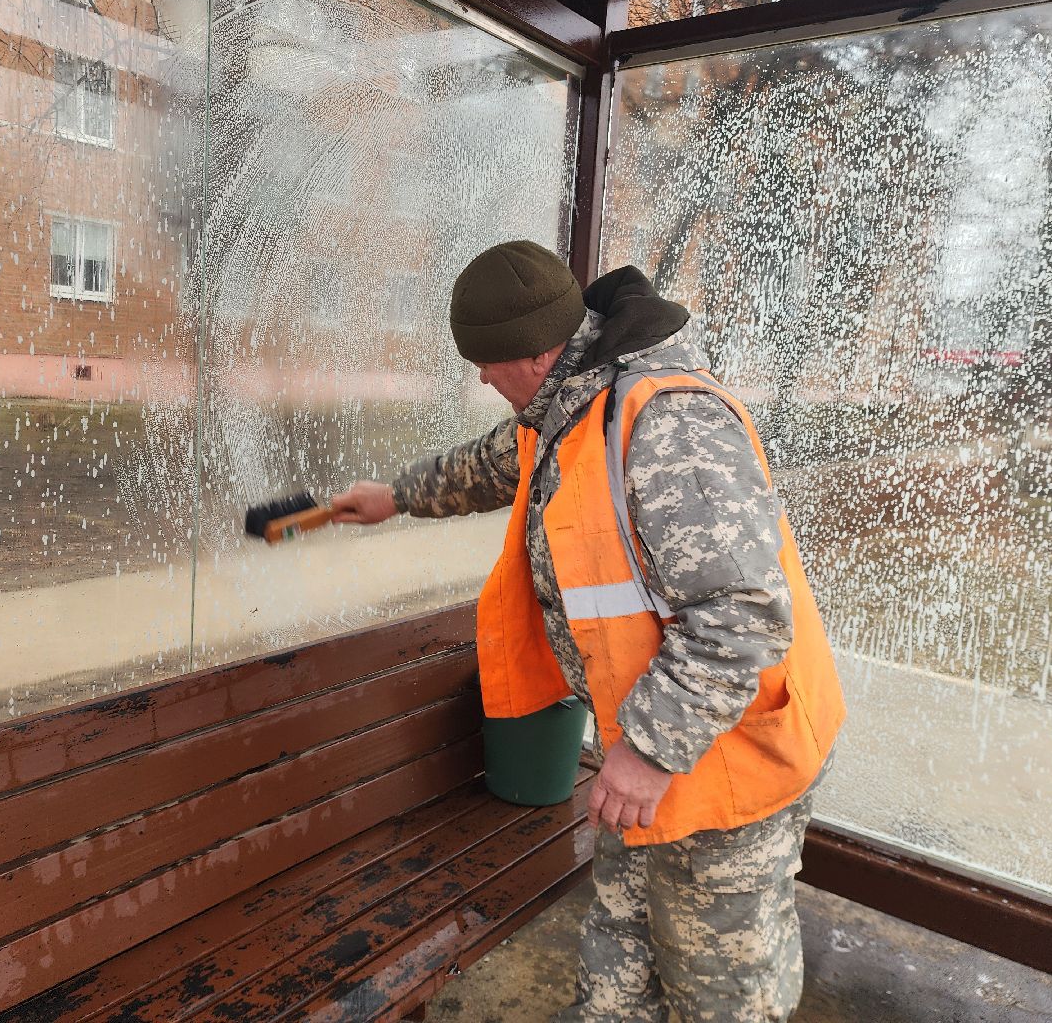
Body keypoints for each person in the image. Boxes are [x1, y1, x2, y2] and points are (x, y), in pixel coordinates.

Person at [331, 240, 845, 1023]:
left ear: (536, 355)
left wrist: (644, 752)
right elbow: (490, 464)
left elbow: (742, 617)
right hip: (645, 765)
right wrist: (392, 496)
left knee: (721, 999)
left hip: (725, 767)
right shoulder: (565, 406)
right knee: (614, 985)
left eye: (487, 362)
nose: (480, 378)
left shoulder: (665, 424)